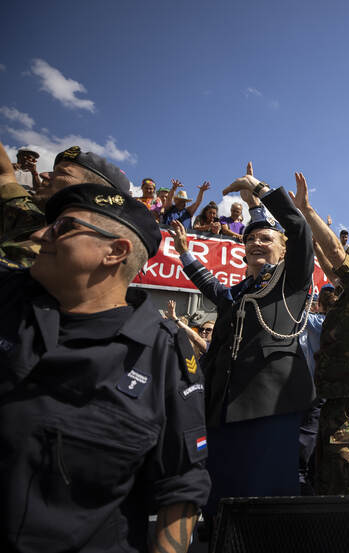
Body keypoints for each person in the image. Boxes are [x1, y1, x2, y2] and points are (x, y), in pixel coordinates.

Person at [0, 183, 210, 552]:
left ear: (115, 251)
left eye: (63, 228)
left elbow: (182, 483)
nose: (39, 235)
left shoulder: (162, 354)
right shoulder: (9, 303)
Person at [169, 162, 314, 512]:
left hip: (269, 408)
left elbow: (299, 229)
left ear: (283, 249)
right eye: (250, 239)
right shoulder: (238, 292)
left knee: (263, 506)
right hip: (223, 407)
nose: (256, 243)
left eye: (266, 238)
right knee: (219, 496)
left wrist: (258, 189)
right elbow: (212, 287)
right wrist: (185, 252)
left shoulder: (291, 281)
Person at [291, 172, 349, 496]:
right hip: (335, 396)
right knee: (326, 475)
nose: (337, 270)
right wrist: (306, 227)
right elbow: (327, 259)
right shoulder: (346, 298)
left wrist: (308, 210)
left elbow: (336, 256)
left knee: (345, 478)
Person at [1, 143, 132, 266]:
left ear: (91, 192)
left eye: (62, 173)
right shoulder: (32, 218)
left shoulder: (70, 261)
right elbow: (5, 176)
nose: (43, 175)